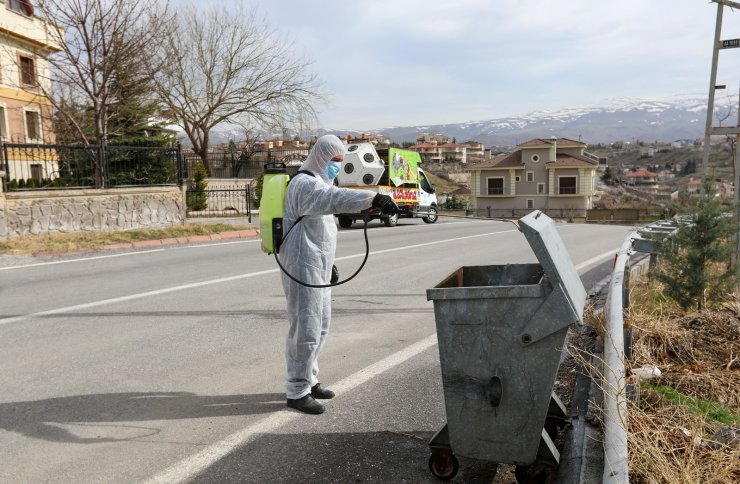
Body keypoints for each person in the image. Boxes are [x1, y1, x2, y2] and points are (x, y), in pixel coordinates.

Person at [280, 134, 398, 414]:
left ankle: (310, 379)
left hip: (315, 265)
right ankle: (296, 390)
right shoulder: (304, 184)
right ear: (321, 157)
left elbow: (319, 230)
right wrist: (374, 197)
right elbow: (332, 199)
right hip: (301, 267)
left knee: (320, 325)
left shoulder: (319, 182)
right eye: (335, 161)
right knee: (305, 328)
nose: (337, 167)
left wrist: (327, 263)